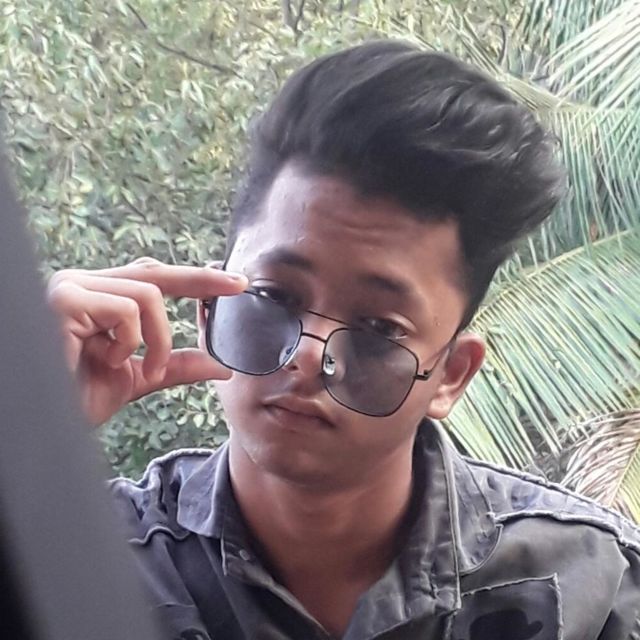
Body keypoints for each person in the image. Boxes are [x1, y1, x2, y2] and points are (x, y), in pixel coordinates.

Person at [46, 41, 640, 640]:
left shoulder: (597, 595)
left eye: (380, 329)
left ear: (451, 374)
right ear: (208, 308)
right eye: (274, 296)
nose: (309, 354)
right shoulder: (78, 563)